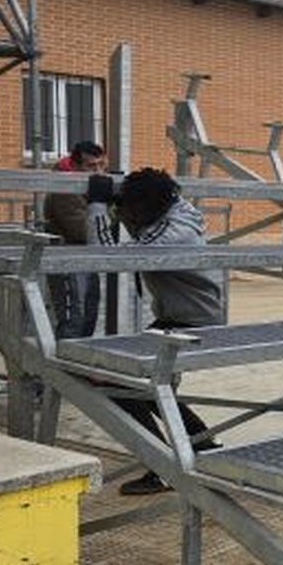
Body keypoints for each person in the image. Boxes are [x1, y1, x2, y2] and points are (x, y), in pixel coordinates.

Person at [106, 168, 224, 495]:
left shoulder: (175, 232)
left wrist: (101, 210)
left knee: (116, 382)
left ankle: (163, 466)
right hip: (180, 317)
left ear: (149, 205)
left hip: (193, 322)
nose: (129, 213)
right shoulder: (171, 211)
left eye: (133, 207)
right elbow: (141, 228)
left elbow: (117, 255)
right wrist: (119, 202)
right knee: (142, 385)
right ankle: (203, 445)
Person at [43, 140, 108, 338]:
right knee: (74, 318)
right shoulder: (64, 190)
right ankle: (64, 356)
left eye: (101, 165)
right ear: (76, 165)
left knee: (89, 314)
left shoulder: (86, 187)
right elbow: (83, 231)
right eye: (91, 166)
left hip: (85, 257)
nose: (98, 172)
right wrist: (103, 204)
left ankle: (79, 355)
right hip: (68, 259)